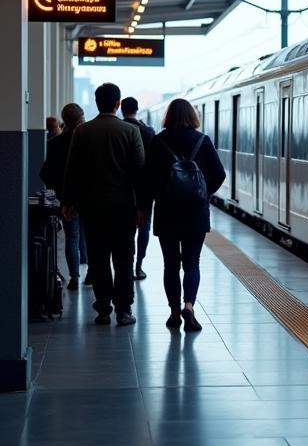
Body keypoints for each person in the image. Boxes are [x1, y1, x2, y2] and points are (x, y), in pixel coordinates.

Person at [63, 83, 145, 326]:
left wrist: (68, 201)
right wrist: (142, 207)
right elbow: (139, 171)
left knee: (98, 258)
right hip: (123, 207)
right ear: (118, 103)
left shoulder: (82, 132)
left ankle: (103, 309)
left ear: (97, 103)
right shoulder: (130, 131)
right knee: (123, 258)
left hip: (93, 206)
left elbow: (72, 170)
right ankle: (123, 310)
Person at [142, 98, 225, 332]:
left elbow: (147, 178)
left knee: (170, 265)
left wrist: (154, 199)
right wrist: (203, 194)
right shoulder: (203, 140)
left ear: (168, 117)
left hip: (167, 213)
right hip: (195, 213)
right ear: (192, 116)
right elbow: (219, 174)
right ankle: (189, 306)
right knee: (192, 263)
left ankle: (174, 313)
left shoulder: (158, 141)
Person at [39, 102, 90, 291]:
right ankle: (91, 273)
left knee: (72, 237)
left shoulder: (55, 143)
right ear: (81, 116)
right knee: (91, 236)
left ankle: (74, 277)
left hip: (67, 197)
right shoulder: (88, 138)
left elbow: (45, 173)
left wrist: (58, 191)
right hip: (89, 195)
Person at [121, 96, 156, 280]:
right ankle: (138, 267)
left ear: (121, 109)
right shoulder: (149, 132)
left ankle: (125, 265)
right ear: (137, 109)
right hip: (145, 190)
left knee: (126, 230)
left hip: (122, 190)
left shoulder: (119, 130)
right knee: (144, 228)